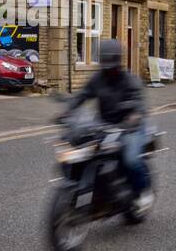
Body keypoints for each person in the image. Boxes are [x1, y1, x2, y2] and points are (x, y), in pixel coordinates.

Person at [60, 38, 152, 211]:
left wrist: (134, 116)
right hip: (104, 125)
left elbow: (139, 103)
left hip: (130, 127)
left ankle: (143, 192)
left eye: (112, 66)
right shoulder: (97, 79)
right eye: (105, 65)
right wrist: (67, 111)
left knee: (131, 160)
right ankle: (88, 190)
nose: (108, 70)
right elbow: (82, 95)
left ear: (118, 62)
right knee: (80, 152)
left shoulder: (130, 81)